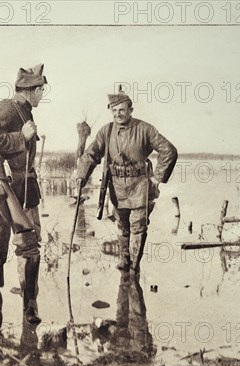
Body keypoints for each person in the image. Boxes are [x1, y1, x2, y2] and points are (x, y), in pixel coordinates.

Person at [0, 64, 47, 337]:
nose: (42, 95)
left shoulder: (25, 111)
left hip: (25, 186)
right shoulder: (7, 109)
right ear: (31, 90)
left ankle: (30, 306)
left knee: (30, 247)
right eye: (41, 90)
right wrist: (21, 137)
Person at [76, 90, 178, 273]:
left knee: (138, 225)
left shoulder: (145, 129)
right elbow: (91, 154)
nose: (118, 114)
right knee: (122, 224)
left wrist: (157, 178)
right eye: (114, 111)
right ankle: (124, 260)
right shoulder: (106, 131)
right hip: (116, 188)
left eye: (122, 110)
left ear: (131, 110)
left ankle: (134, 267)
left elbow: (169, 150)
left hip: (140, 186)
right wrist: (81, 176)